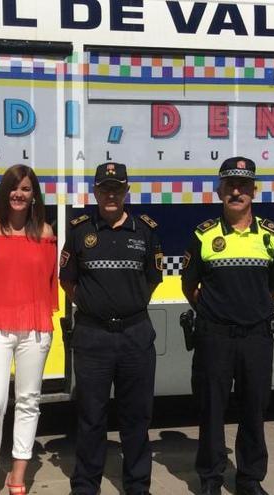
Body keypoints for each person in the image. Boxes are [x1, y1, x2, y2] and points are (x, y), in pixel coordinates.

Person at [181, 156, 274, 495]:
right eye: (230, 185)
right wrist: (214, 313)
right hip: (215, 337)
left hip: (256, 336)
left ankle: (249, 478)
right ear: (220, 190)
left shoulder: (270, 236)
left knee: (254, 408)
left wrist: (253, 311)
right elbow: (189, 286)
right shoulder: (203, 235)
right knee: (211, 409)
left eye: (243, 185)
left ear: (253, 191)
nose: (236, 191)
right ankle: (211, 478)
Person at [59, 162, 163, 495]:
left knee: (137, 417)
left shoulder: (144, 230)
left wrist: (128, 305)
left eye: (117, 188)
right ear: (96, 192)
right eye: (104, 188)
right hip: (92, 336)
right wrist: (95, 307)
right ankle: (86, 485)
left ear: (126, 191)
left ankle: (137, 485)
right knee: (91, 416)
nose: (110, 194)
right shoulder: (79, 230)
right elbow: (67, 281)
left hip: (135, 334)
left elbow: (152, 280)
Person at [0, 164, 58, 495]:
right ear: (4, 193)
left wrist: (47, 317)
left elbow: (50, 283)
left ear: (34, 196)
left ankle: (18, 470)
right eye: (13, 188)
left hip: (34, 326)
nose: (19, 194)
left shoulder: (45, 233)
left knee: (29, 400)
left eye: (26, 189)